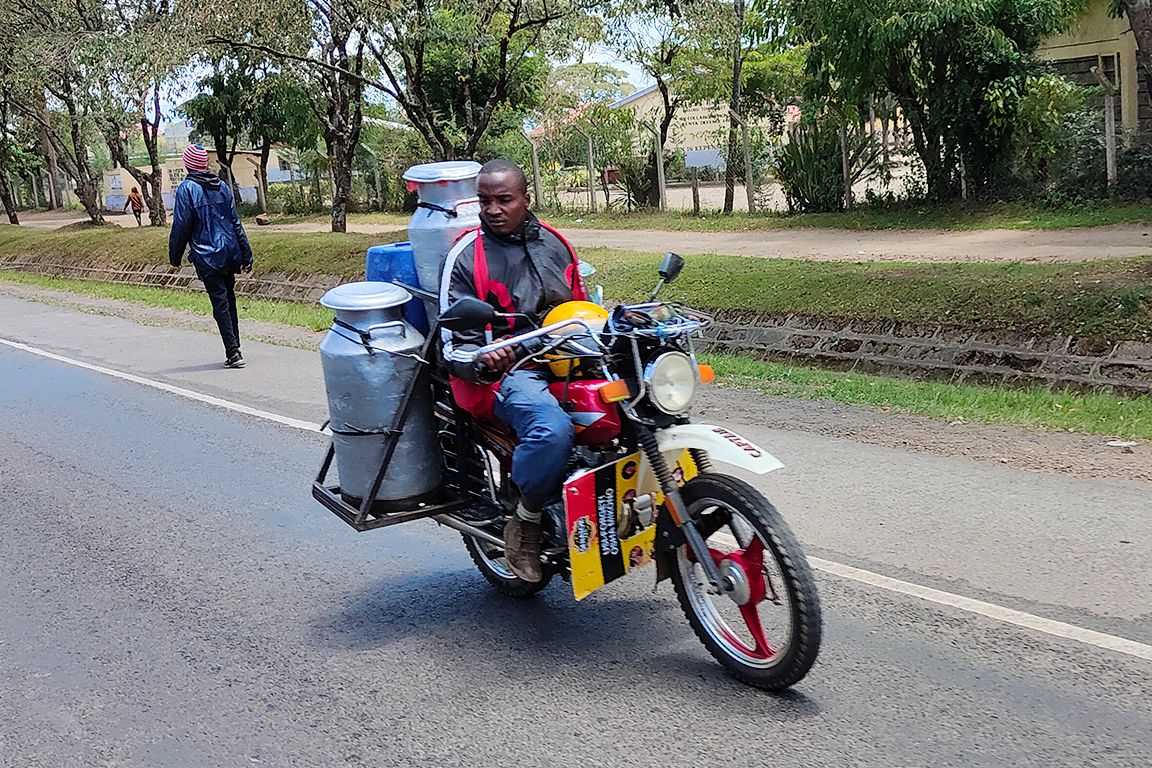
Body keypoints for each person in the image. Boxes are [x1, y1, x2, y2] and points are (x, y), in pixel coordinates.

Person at [440, 158, 586, 583]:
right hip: (500, 374)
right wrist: (484, 359)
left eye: (504, 199)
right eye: (485, 201)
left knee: (634, 401)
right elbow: (454, 346)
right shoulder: (467, 256)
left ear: (526, 198)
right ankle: (525, 519)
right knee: (552, 430)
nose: (493, 209)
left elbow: (580, 308)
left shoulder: (557, 243)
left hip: (563, 357)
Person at [168, 144, 254, 369]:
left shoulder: (186, 189)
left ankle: (233, 352)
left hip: (207, 255)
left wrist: (174, 257)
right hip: (229, 251)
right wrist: (246, 255)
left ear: (188, 164)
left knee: (220, 301)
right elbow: (235, 222)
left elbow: (181, 226)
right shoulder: (222, 186)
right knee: (229, 299)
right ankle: (235, 347)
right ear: (204, 164)